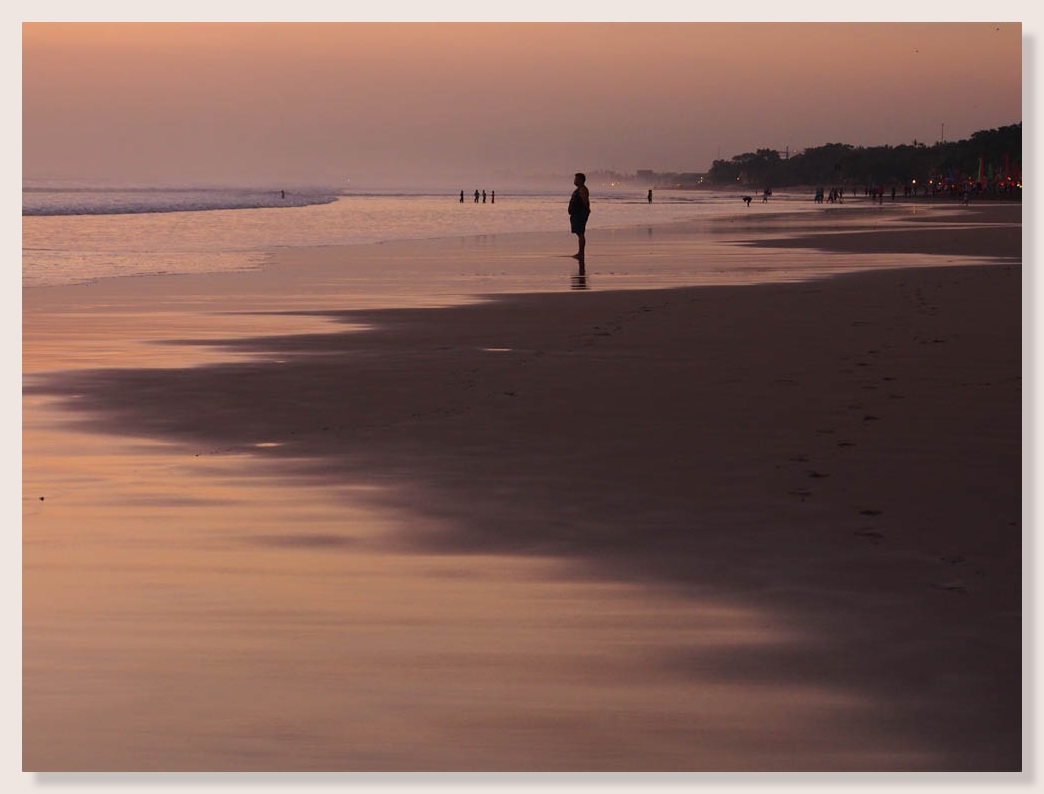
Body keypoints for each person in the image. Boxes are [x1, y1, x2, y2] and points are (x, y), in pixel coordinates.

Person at [568, 172, 591, 266]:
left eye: (576, 179)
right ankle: (580, 253)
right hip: (577, 214)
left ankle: (581, 253)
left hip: (580, 214)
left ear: (581, 180)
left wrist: (584, 212)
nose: (575, 180)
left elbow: (586, 203)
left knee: (580, 233)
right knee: (579, 233)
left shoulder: (582, 190)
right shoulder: (579, 189)